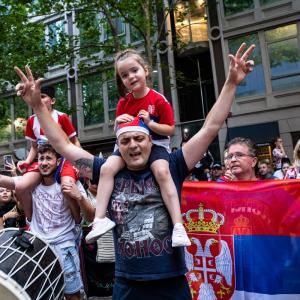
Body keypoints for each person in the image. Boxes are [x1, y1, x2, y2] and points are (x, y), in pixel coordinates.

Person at [15, 42, 255, 299]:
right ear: (118, 145)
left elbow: (210, 127)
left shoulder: (172, 165)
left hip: (170, 282)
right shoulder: (108, 169)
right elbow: (62, 144)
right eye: (125, 140)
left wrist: (230, 83)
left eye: (139, 139)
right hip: (127, 283)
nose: (133, 145)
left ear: (151, 141)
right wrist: (39, 108)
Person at [85, 49, 190, 247]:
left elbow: (170, 129)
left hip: (156, 144)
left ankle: (178, 225)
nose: (130, 77)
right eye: (124, 75)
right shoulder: (123, 103)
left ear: (146, 70)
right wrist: (117, 123)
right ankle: (99, 219)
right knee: (107, 168)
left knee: (161, 171)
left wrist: (150, 123)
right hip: (128, 146)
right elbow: (119, 133)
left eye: (134, 70)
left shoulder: (158, 100)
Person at [0, 144, 85, 300]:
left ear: (58, 161)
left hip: (63, 247)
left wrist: (76, 196)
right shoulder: (31, 183)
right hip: (38, 247)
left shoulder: (71, 183)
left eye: (49, 158)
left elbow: (81, 217)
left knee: (72, 295)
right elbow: (6, 180)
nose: (44, 162)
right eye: (41, 158)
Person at [14, 85, 81, 218]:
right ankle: (29, 220)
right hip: (43, 160)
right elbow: (34, 147)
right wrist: (26, 162)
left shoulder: (62, 117)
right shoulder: (31, 120)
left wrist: (77, 163)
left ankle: (77, 220)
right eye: (37, 97)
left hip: (64, 160)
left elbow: (75, 142)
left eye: (43, 96)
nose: (39, 99)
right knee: (20, 187)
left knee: (67, 187)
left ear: (53, 101)